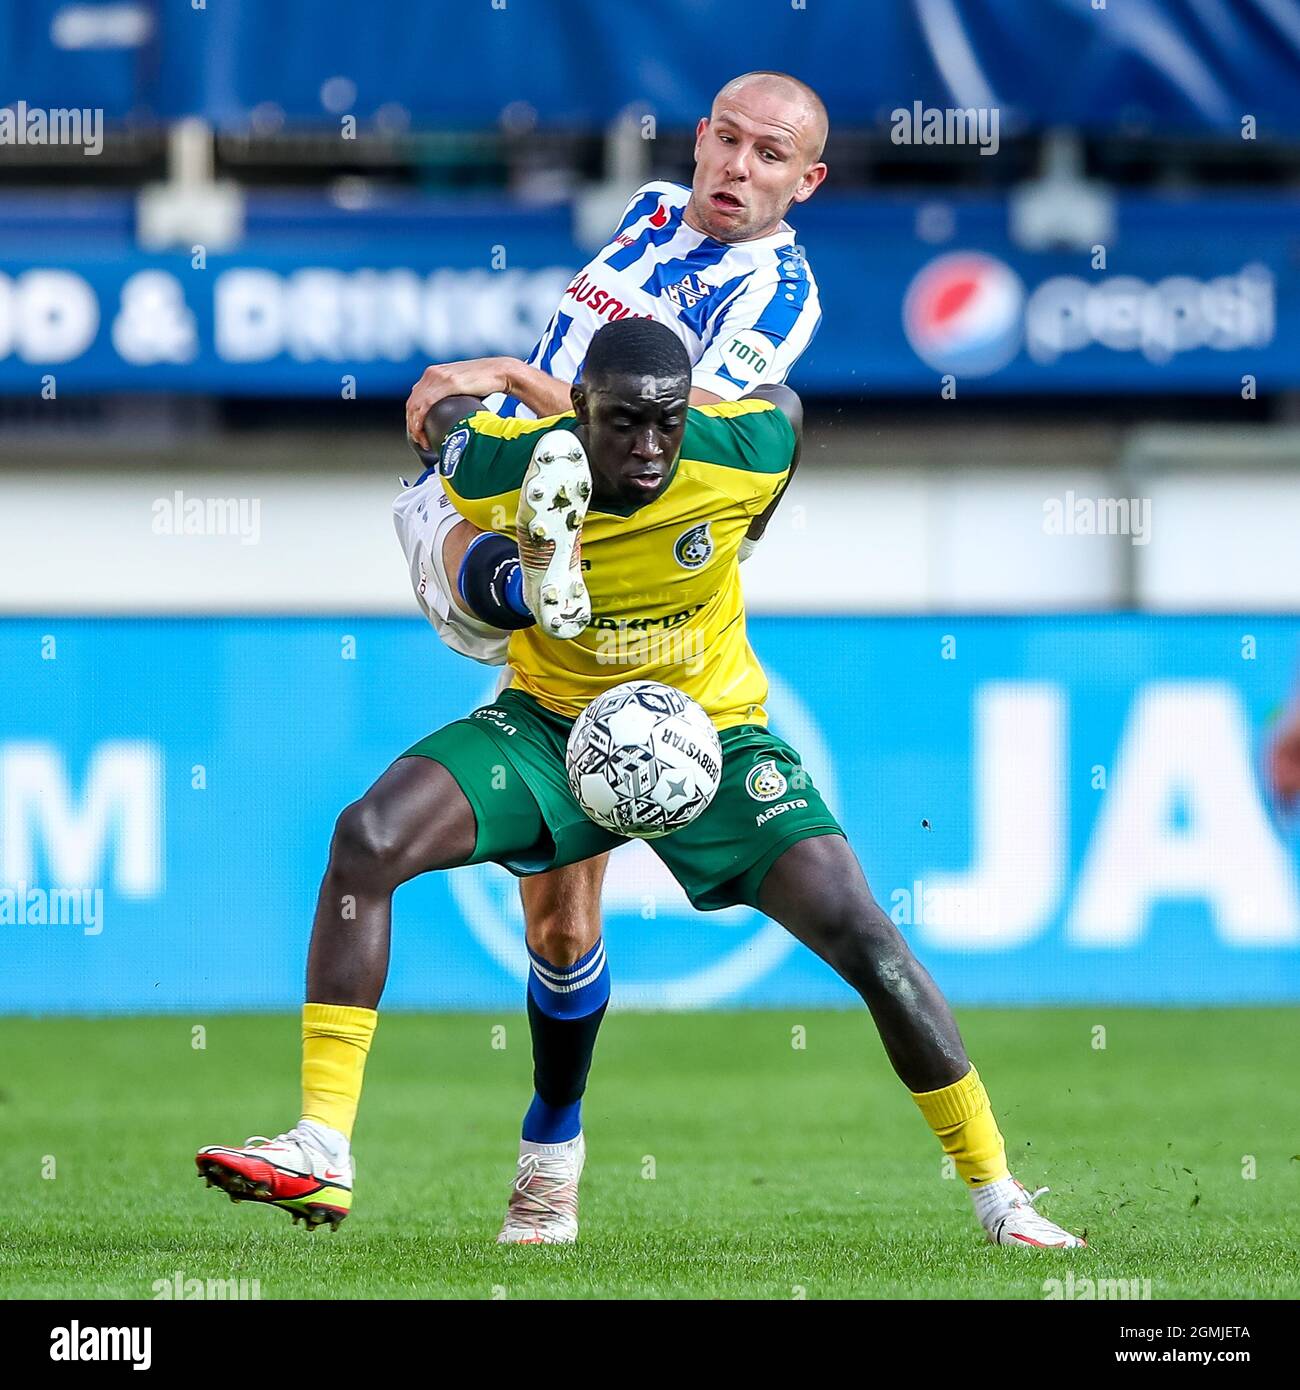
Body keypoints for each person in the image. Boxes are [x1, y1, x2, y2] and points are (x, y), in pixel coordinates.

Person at [197, 318, 1084, 1253]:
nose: (650, 447)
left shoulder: (736, 452)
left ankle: (1001, 1197)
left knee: (867, 937)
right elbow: (441, 425)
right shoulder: (513, 466)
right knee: (367, 838)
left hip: (717, 740)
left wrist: (747, 527)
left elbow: (782, 411)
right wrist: (473, 426)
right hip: (552, 726)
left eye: (667, 421)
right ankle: (325, 1146)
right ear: (578, 411)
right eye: (622, 424)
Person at [391, 70, 828, 1234]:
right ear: (697, 142)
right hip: (549, 519)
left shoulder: (778, 298)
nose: (739, 167)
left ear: (806, 181)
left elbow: (657, 442)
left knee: (441, 518)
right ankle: (556, 1146)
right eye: (726, 140)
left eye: (770, 155)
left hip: (637, 575)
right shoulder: (643, 213)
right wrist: (509, 405)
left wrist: (502, 387)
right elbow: (576, 368)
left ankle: (510, 578)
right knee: (559, 927)